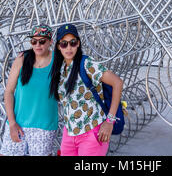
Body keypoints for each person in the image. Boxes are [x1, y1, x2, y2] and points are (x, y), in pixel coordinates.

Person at [49, 23, 123, 156]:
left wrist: (110, 121)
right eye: (64, 44)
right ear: (58, 46)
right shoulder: (59, 68)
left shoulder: (87, 64)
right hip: (69, 132)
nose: (69, 48)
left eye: (73, 42)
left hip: (92, 132)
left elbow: (117, 82)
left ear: (78, 43)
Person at [0, 24, 58, 156]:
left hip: (44, 127)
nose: (38, 44)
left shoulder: (58, 61)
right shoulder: (22, 59)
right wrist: (12, 122)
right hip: (18, 124)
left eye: (42, 41)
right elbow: (9, 91)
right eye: (34, 41)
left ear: (50, 42)